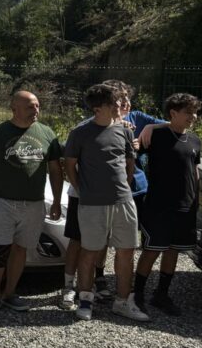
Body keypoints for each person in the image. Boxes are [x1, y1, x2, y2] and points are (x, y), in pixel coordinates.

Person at [63, 83, 148, 322]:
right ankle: (85, 300)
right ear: (98, 108)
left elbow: (129, 164)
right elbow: (69, 165)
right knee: (89, 251)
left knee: (126, 251)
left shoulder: (125, 131)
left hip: (123, 201)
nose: (119, 105)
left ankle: (122, 302)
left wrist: (124, 188)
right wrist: (84, 191)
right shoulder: (79, 133)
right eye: (114, 102)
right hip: (92, 204)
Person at [0, 91, 64, 312]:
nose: (36, 110)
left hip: (33, 203)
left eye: (37, 106)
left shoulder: (47, 133)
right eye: (30, 106)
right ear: (14, 108)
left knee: (21, 249)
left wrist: (56, 201)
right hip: (1, 202)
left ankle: (10, 293)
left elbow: (55, 170)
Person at [134, 93, 202, 316]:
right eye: (188, 112)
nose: (193, 116)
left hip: (185, 206)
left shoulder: (195, 141)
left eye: (195, 112)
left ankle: (161, 295)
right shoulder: (156, 135)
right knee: (152, 250)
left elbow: (195, 171)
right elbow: (132, 151)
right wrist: (150, 127)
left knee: (173, 250)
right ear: (173, 113)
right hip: (159, 206)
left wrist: (197, 200)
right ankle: (137, 295)